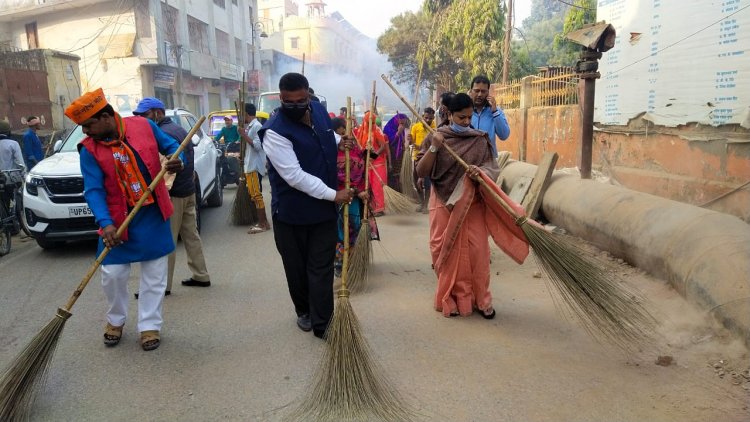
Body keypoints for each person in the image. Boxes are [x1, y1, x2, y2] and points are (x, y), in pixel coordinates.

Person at [66, 88, 184, 351]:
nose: (85, 132)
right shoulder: (89, 150)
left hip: (152, 213)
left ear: (106, 116)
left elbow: (173, 147)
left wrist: (178, 159)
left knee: (154, 274)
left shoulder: (143, 126)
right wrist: (105, 223)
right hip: (117, 219)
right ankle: (115, 320)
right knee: (113, 273)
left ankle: (149, 326)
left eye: (88, 126)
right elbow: (93, 189)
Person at [259, 73, 354, 339]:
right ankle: (304, 311)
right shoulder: (274, 132)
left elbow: (322, 138)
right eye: (290, 102)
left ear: (308, 96)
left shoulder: (320, 112)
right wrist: (335, 195)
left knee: (320, 268)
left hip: (322, 212)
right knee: (297, 269)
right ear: (281, 99)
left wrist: (339, 141)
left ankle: (324, 325)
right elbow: (295, 176)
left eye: (302, 100)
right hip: (291, 214)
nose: (297, 106)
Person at [415, 93, 502, 319]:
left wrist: (480, 172)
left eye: (469, 117)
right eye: (461, 118)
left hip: (471, 202)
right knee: (440, 247)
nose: (466, 122)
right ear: (449, 115)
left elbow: (493, 171)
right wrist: (434, 147)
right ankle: (450, 299)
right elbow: (421, 171)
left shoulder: (480, 138)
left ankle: (482, 301)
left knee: (479, 252)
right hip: (442, 200)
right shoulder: (437, 136)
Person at [132, 97, 211, 296]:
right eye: (139, 116)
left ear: (158, 113)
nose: (141, 119)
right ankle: (201, 275)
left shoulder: (162, 134)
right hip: (188, 191)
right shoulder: (178, 129)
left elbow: (166, 170)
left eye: (145, 114)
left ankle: (161, 286)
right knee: (191, 236)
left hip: (173, 194)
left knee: (166, 241)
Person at [331, 118, 368, 278]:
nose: (348, 136)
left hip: (355, 198)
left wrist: (359, 190)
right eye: (343, 132)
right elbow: (336, 176)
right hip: (337, 196)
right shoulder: (332, 152)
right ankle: (340, 262)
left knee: (354, 227)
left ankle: (354, 261)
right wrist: (352, 189)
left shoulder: (357, 151)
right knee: (340, 230)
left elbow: (362, 172)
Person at [240, 102, 270, 234]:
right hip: (249, 164)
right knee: (254, 195)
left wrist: (244, 135)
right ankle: (262, 222)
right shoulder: (250, 126)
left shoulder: (257, 126)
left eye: (243, 114)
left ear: (246, 114)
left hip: (254, 166)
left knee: (257, 195)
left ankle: (263, 223)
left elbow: (258, 146)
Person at [354, 111, 388, 216]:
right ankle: (370, 207)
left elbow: (383, 146)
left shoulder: (377, 131)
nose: (370, 125)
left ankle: (379, 208)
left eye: (372, 122)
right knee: (367, 185)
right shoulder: (361, 131)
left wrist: (373, 156)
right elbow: (359, 145)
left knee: (378, 185)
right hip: (366, 162)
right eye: (369, 122)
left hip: (378, 163)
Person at [468, 75, 510, 158]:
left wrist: (494, 112)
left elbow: (504, 135)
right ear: (470, 92)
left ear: (488, 93)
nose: (479, 94)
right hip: (468, 159)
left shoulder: (496, 111)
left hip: (489, 161)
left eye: (483, 91)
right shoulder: (464, 112)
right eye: (476, 91)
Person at [409, 107, 436, 213]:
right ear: (422, 117)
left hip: (429, 160)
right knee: (416, 181)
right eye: (426, 118)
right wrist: (409, 141)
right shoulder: (415, 127)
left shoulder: (435, 129)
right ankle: (421, 202)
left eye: (430, 118)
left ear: (433, 118)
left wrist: (416, 145)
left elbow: (428, 147)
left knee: (427, 182)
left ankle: (426, 204)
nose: (428, 120)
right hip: (417, 158)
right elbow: (411, 144)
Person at [383, 113, 409, 191]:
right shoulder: (388, 129)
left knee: (399, 175)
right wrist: (398, 133)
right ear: (396, 121)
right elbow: (390, 144)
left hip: (399, 156)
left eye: (404, 124)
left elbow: (402, 142)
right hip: (391, 155)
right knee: (392, 176)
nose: (402, 125)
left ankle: (399, 191)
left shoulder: (401, 128)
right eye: (401, 123)